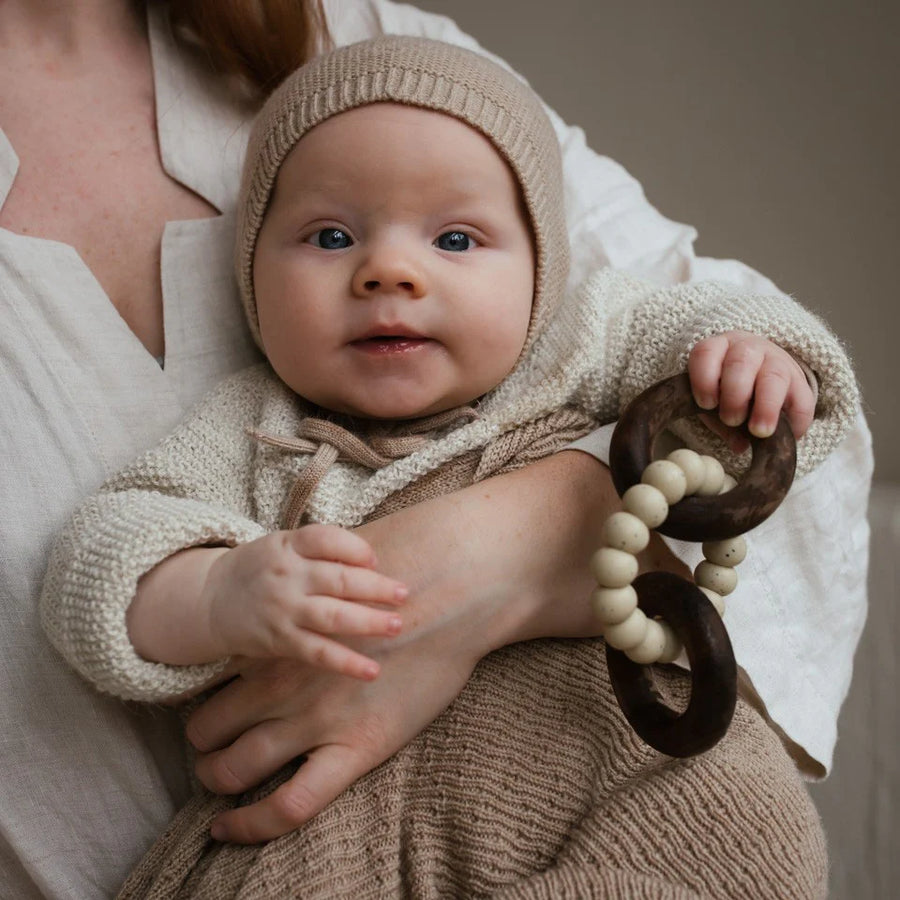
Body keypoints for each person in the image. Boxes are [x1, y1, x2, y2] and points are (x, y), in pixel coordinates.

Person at [0, 2, 872, 898]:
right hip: (341, 822)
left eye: (456, 240)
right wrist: (216, 589)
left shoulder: (578, 338)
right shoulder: (253, 427)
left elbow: (728, 338)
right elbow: (101, 556)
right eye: (330, 237)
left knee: (743, 827)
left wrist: (751, 358)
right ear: (248, 276)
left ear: (542, 268)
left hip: (595, 755)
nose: (389, 271)